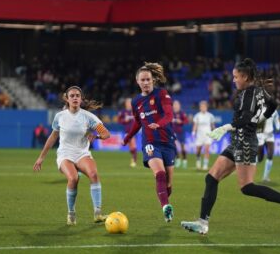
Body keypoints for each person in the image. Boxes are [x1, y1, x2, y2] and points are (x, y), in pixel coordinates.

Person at [181, 58, 280, 235]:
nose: (234, 80)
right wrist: (260, 120)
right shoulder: (258, 92)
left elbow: (244, 119)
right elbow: (273, 104)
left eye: (236, 76)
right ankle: (202, 222)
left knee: (247, 187)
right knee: (211, 178)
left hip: (245, 142)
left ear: (245, 77)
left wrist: (225, 127)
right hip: (238, 140)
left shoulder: (248, 94)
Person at [33, 86, 110, 225]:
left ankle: (98, 213)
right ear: (67, 99)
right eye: (72, 95)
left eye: (77, 96)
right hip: (65, 155)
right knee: (73, 178)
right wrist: (41, 157)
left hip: (82, 154)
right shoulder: (60, 117)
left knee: (94, 175)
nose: (75, 98)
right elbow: (52, 137)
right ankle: (71, 213)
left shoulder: (89, 117)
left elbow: (106, 133)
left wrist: (96, 136)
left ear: (81, 99)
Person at [122, 62, 176, 222]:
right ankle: (165, 207)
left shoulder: (162, 94)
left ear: (153, 80)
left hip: (167, 141)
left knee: (168, 183)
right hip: (150, 142)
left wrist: (158, 124)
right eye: (142, 80)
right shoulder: (136, 102)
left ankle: (166, 202)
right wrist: (128, 136)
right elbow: (138, 122)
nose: (145, 82)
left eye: (148, 79)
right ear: (137, 81)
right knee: (159, 174)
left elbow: (169, 115)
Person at [257, 110, 280, 182]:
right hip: (260, 135)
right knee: (260, 158)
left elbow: (276, 120)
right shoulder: (259, 109)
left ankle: (265, 177)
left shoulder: (274, 111)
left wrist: (278, 127)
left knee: (270, 155)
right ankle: (248, 166)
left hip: (270, 135)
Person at [192, 100, 216, 170]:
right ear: (200, 107)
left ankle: (205, 165)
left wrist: (214, 132)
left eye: (204, 106)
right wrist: (193, 132)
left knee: (207, 149)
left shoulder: (210, 116)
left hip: (207, 135)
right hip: (199, 135)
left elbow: (212, 126)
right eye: (202, 106)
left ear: (206, 107)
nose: (203, 108)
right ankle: (198, 162)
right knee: (198, 150)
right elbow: (195, 125)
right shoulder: (197, 116)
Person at [118, 98, 138, 167]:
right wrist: (124, 120)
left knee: (133, 145)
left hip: (133, 132)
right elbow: (119, 121)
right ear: (125, 104)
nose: (129, 104)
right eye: (127, 102)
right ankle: (133, 158)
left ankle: (134, 161)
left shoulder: (135, 111)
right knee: (131, 148)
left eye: (130, 102)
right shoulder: (123, 112)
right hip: (126, 132)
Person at [172, 100, 189, 168]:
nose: (176, 106)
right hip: (173, 132)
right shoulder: (171, 113)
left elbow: (186, 121)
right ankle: (178, 160)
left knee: (182, 147)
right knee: (174, 146)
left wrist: (181, 121)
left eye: (177, 105)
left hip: (181, 132)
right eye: (175, 105)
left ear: (179, 106)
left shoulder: (182, 113)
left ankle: (184, 160)